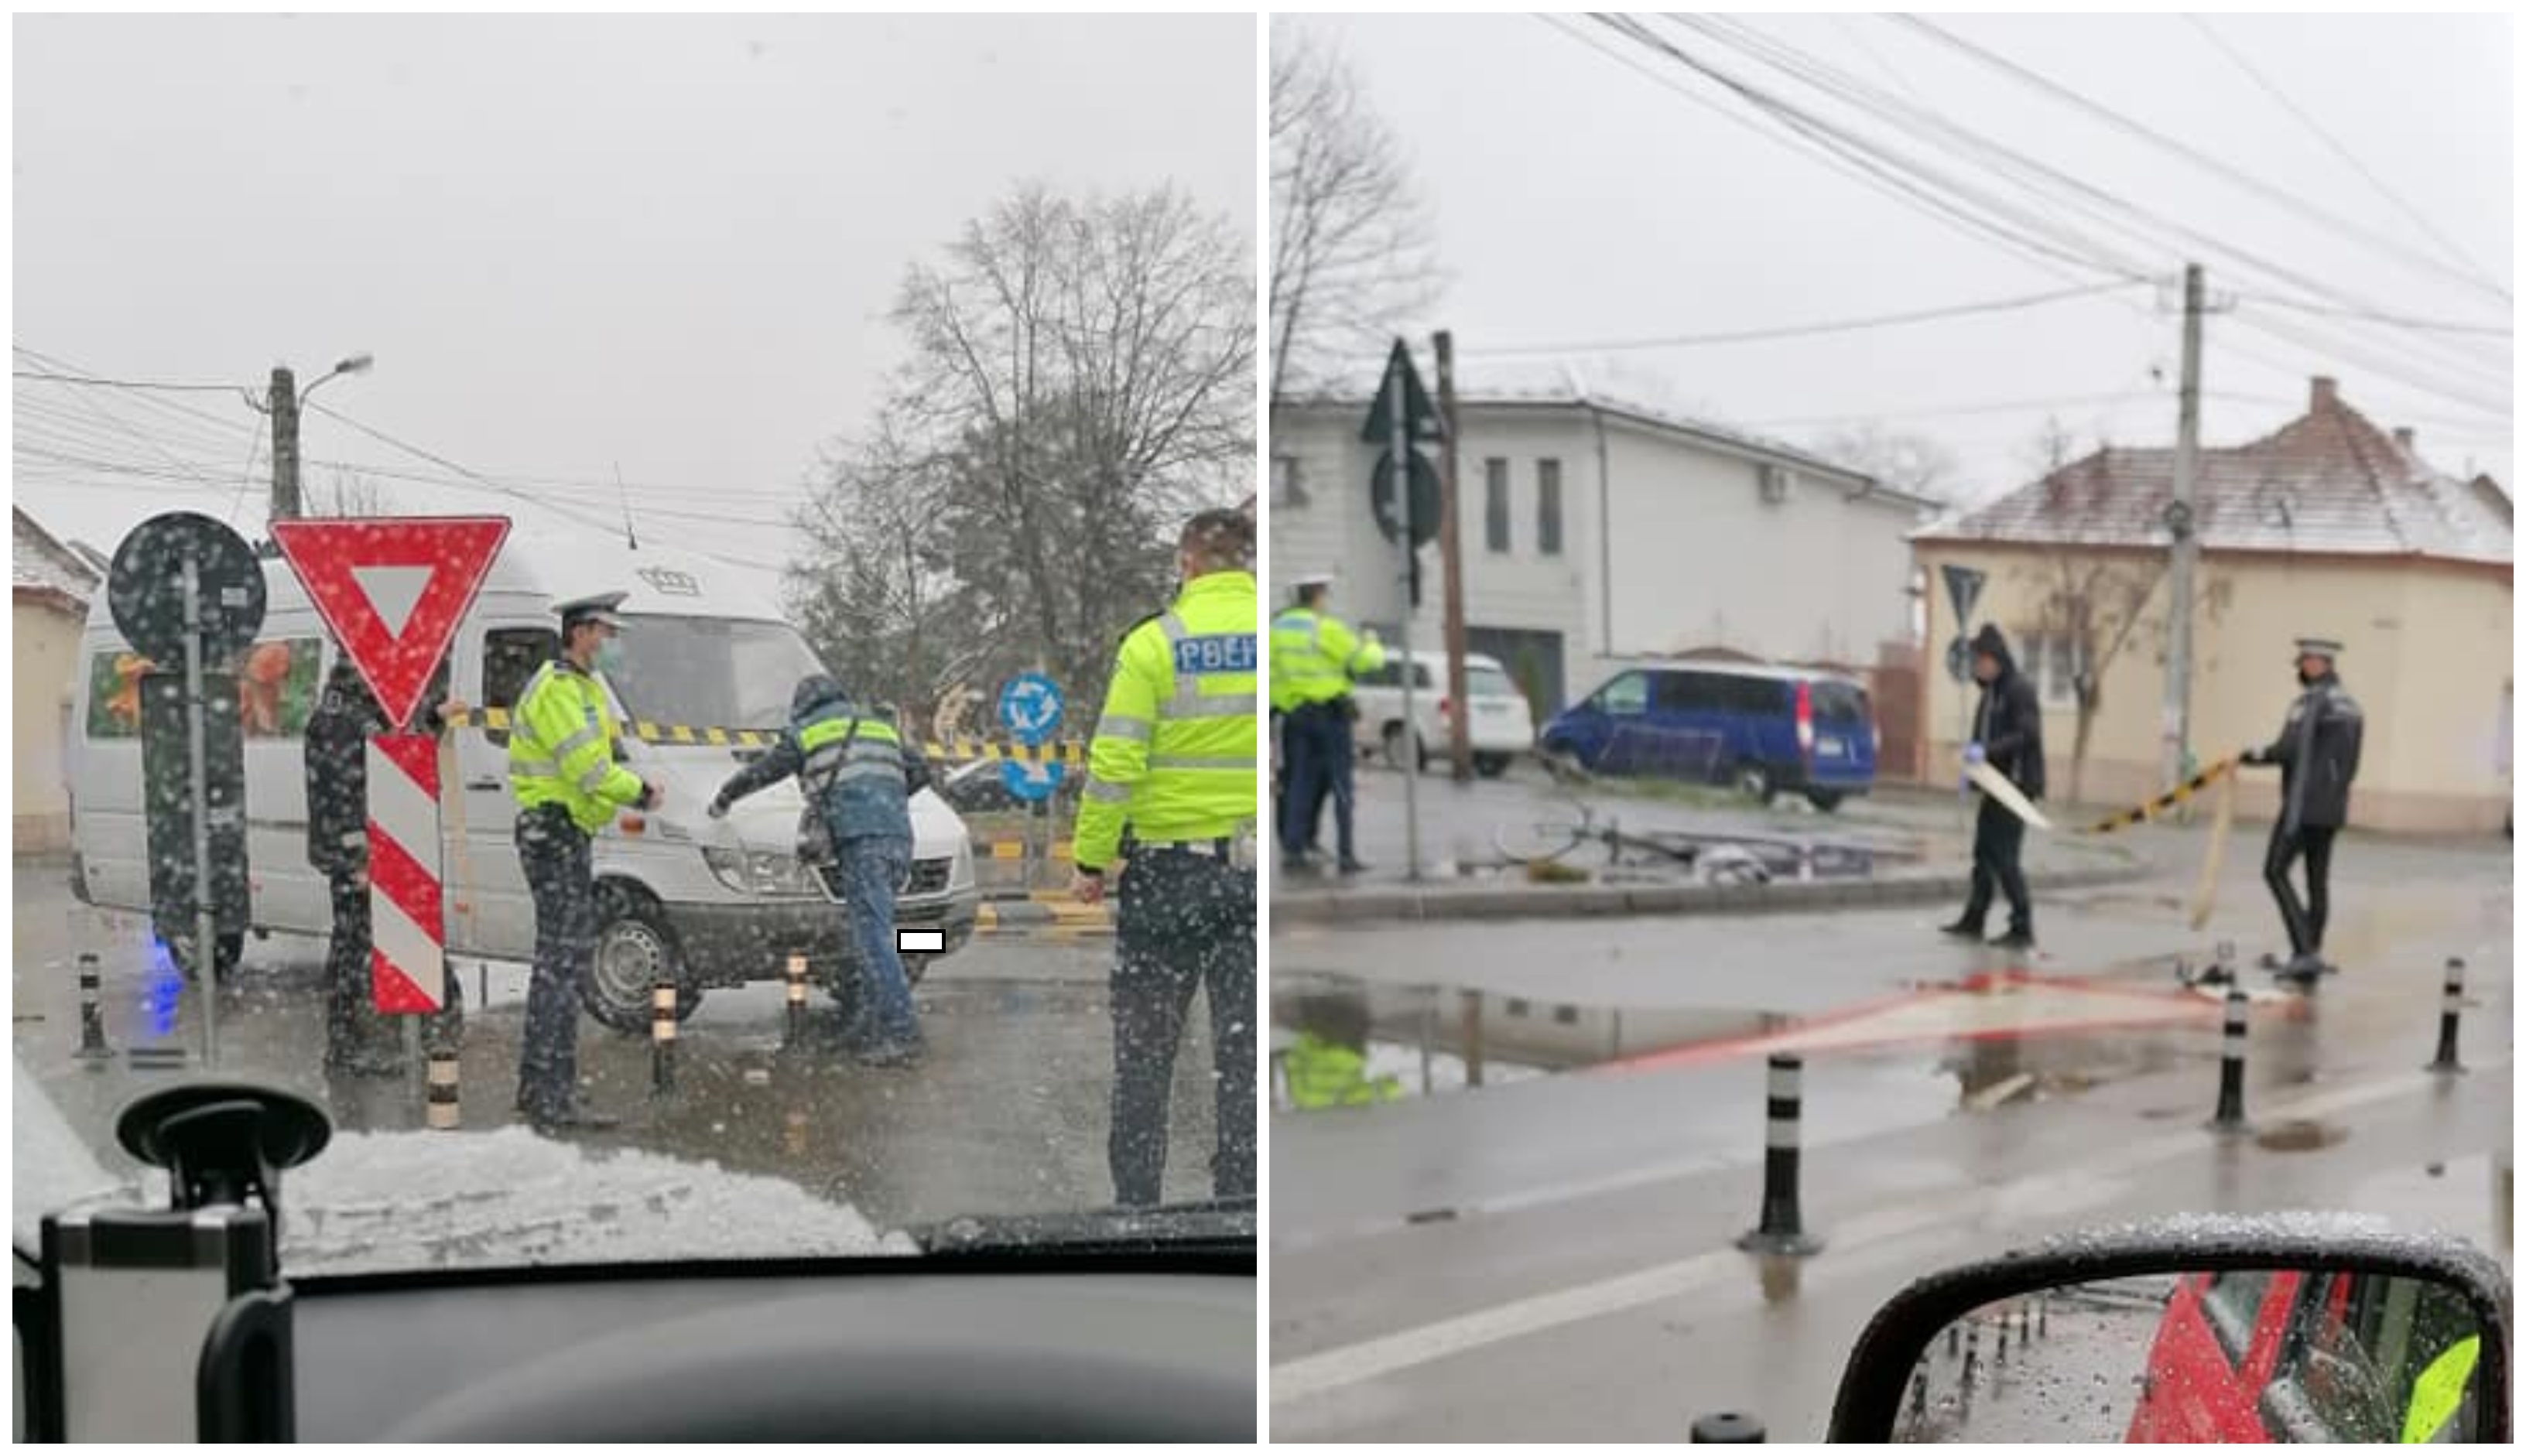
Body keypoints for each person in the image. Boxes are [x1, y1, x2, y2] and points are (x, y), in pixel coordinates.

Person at [1073, 508, 1258, 1209]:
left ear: (1187, 562)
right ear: (1247, 562)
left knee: (1145, 1055)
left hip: (1166, 878)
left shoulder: (1154, 644)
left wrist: (1090, 861)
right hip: (1251, 876)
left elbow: (1115, 763)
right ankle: (1240, 1203)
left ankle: (1137, 1208)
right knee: (1243, 1056)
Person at [707, 674, 931, 1066]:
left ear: (801, 706)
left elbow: (765, 769)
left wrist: (726, 796)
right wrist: (882, 798)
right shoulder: (878, 725)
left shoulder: (809, 730)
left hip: (863, 841)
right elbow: (921, 771)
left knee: (875, 940)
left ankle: (901, 1034)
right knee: (871, 936)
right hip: (898, 837)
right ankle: (865, 1028)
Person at [508, 592, 659, 1130]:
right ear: (579, 633)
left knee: (561, 963)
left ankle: (546, 1086)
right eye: (606, 632)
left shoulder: (583, 687)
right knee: (561, 965)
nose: (612, 642)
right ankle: (550, 1093)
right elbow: (588, 770)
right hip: (554, 832)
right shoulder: (558, 690)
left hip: (566, 832)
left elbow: (599, 761)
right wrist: (640, 792)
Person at [303, 654, 460, 1076]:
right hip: (355, 851)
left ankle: (414, 1026)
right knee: (352, 945)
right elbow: (339, 794)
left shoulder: (364, 709)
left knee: (372, 938)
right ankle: (345, 1045)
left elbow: (398, 751)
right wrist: (357, 858)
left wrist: (432, 718)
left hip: (380, 846)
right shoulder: (341, 715)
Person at [2239, 636, 2363, 983]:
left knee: (2275, 871)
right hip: (2333, 806)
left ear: (2319, 663)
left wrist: (2250, 755)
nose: (2301, 668)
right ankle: (2312, 951)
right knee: (2316, 880)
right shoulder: (2350, 705)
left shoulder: (2309, 703)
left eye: (2305, 662)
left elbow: (2287, 750)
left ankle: (2304, 951)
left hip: (2303, 805)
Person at [1939, 623, 2045, 950]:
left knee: (2005, 857)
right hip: (1994, 785)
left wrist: (1987, 751)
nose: (1977, 667)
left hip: (2016, 785)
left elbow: (2026, 735)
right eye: (1975, 661)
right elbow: (1980, 737)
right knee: (1983, 852)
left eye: (1981, 660)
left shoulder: (2018, 690)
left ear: (1996, 659)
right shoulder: (1990, 695)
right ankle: (1974, 918)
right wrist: (1971, 772)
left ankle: (2022, 926)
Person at [1270, 574, 1385, 874]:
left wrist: (1285, 705)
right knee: (1341, 787)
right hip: (1331, 718)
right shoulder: (1324, 628)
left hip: (1296, 717)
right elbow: (1367, 661)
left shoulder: (1275, 629)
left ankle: (1294, 850)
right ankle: (1346, 854)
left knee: (1299, 785)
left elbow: (1271, 678)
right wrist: (1372, 641)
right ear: (1318, 596)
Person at [1282, 993, 1403, 1109]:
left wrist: (1392, 1087)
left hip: (1348, 1051)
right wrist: (1305, 1045)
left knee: (1350, 1011)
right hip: (1323, 1044)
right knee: (1319, 1009)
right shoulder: (1304, 1100)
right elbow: (1292, 1063)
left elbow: (1368, 1092)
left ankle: (1335, 999)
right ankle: (1315, 997)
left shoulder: (1339, 1103)